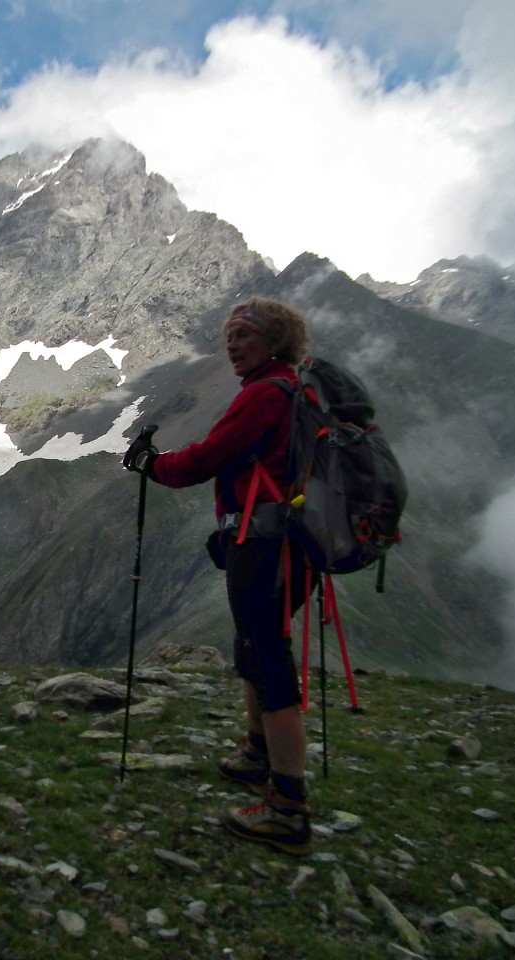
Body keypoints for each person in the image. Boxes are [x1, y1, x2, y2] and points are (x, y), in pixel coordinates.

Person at [124, 297, 314, 855]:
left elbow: (208, 457)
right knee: (259, 647)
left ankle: (287, 807)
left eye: (244, 335)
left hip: (264, 544)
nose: (231, 344)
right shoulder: (296, 389)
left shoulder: (264, 395)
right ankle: (257, 755)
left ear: (274, 342)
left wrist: (151, 464)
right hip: (291, 543)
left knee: (267, 659)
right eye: (228, 335)